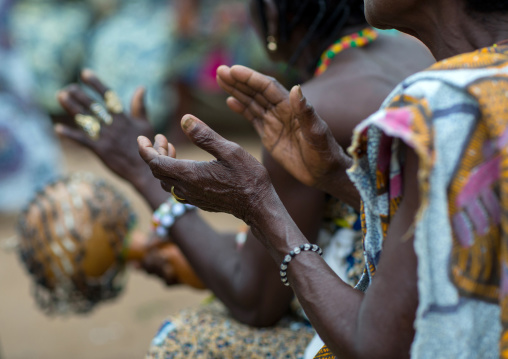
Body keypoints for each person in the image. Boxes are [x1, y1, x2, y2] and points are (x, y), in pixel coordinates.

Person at [57, 1, 432, 358]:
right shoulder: (420, 52)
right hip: (426, 280)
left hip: (394, 327)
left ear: (269, 13)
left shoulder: (307, 115)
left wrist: (144, 175)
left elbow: (254, 300)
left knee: (186, 341)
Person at [137, 0, 508, 357]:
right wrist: (334, 176)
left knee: (183, 340)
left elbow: (372, 347)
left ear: (269, 14)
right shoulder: (476, 79)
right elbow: (454, 229)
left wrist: (257, 206)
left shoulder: (438, 106)